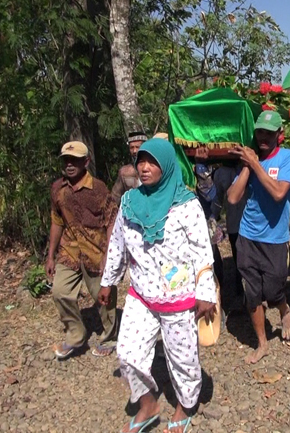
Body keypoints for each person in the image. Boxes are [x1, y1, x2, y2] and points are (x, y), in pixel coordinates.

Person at [98, 138, 216, 433]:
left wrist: (205, 294)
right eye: (141, 161)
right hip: (141, 295)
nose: (145, 168)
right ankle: (148, 404)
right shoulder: (130, 201)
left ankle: (184, 406)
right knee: (127, 352)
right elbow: (117, 244)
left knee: (182, 358)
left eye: (152, 162)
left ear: (166, 164)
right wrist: (108, 282)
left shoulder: (186, 205)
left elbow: (203, 251)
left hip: (179, 298)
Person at [228, 111, 290, 364]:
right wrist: (248, 166)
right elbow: (233, 198)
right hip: (248, 235)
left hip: (275, 238)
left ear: (280, 134)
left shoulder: (289, 158)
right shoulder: (251, 161)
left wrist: (256, 164)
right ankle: (262, 343)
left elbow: (279, 193)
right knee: (253, 293)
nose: (263, 137)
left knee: (273, 288)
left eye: (269, 133)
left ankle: (283, 308)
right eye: (260, 132)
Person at [46, 141, 118, 359]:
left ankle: (109, 336)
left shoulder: (98, 189)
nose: (69, 165)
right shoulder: (58, 189)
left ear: (85, 162)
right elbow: (56, 221)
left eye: (75, 160)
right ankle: (75, 335)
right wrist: (50, 256)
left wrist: (110, 254)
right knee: (60, 292)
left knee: (103, 296)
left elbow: (111, 221)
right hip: (70, 249)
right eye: (66, 160)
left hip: (95, 248)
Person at [212, 160, 247, 313]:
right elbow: (217, 198)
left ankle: (252, 294)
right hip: (235, 223)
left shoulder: (252, 167)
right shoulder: (221, 174)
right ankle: (241, 294)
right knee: (238, 259)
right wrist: (213, 217)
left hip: (252, 223)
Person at [110, 131, 147, 208]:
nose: (134, 151)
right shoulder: (125, 172)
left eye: (137, 147)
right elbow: (114, 199)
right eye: (131, 148)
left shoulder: (154, 169)